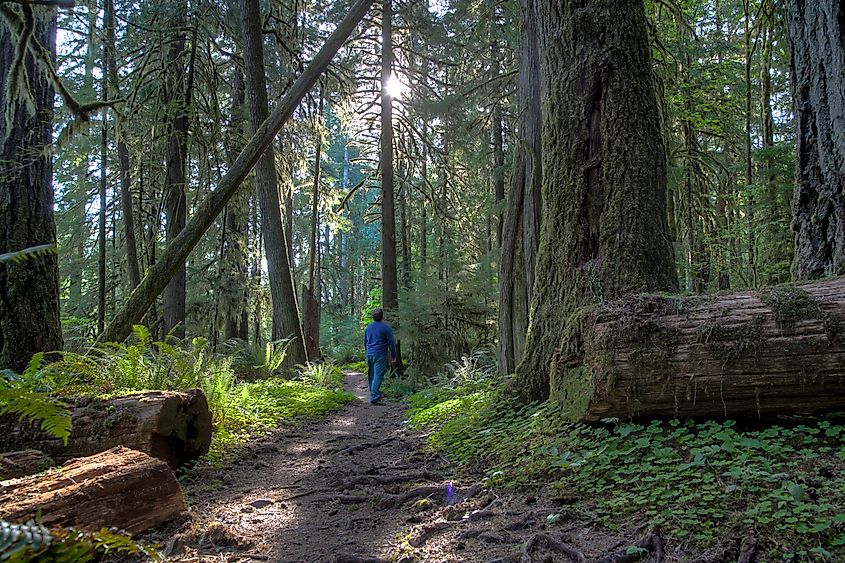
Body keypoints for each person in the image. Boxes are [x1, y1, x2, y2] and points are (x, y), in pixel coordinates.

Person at [363, 307, 396, 404]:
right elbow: (391, 343)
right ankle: (375, 397)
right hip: (380, 354)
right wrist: (394, 355)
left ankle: (373, 393)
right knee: (378, 375)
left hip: (370, 354)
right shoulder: (386, 327)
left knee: (372, 374)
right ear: (382, 316)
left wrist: (368, 352)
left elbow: (365, 342)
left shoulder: (368, 327)